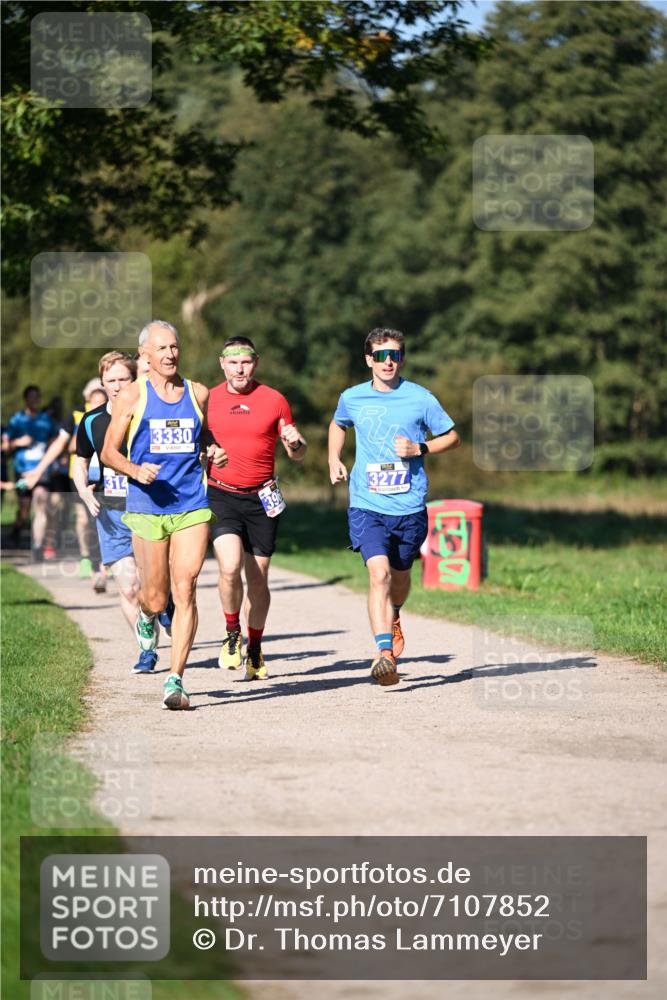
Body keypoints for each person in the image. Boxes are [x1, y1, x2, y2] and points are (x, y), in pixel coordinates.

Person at [101, 319, 227, 710]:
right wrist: (135, 470)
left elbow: (202, 434)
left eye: (174, 347)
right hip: (147, 506)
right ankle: (146, 616)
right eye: (162, 349)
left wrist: (214, 449)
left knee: (185, 586)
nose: (171, 354)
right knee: (155, 598)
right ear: (145, 355)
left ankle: (176, 680)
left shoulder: (198, 393)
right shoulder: (132, 397)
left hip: (191, 503)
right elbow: (109, 452)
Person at [328, 328, 460, 686]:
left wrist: (422, 448)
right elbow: (338, 424)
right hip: (367, 503)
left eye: (395, 355)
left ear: (402, 358)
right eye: (381, 356)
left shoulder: (420, 398)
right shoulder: (352, 398)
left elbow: (452, 435)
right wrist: (333, 459)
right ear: (369, 359)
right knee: (379, 575)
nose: (389, 362)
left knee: (399, 579)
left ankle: (395, 613)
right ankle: (384, 653)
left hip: (410, 505)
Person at [206, 336, 307, 679]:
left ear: (256, 363)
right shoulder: (207, 399)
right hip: (221, 493)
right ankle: (232, 631)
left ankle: (255, 646)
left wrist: (296, 443)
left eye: (246, 362)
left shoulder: (274, 400)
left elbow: (297, 449)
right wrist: (205, 453)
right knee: (229, 566)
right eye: (233, 362)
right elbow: (194, 445)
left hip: (262, 498)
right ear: (222, 363)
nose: (239, 369)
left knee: (258, 579)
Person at [72, 352, 158, 673]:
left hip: (149, 508)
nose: (118, 386)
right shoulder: (92, 421)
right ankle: (146, 649)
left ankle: (163, 607)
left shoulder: (148, 413)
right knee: (128, 587)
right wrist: (83, 492)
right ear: (103, 383)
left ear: (134, 378)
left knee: (154, 585)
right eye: (111, 381)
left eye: (124, 379)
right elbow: (80, 463)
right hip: (110, 511)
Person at [21, 382, 109, 591]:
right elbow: (65, 444)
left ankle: (106, 563)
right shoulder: (78, 418)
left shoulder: (115, 415)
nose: (97, 405)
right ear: (87, 401)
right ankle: (90, 560)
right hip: (79, 476)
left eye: (101, 402)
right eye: (93, 402)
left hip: (108, 477)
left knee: (104, 519)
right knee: (83, 517)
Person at [2, 385, 58, 557]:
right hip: (22, 471)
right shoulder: (16, 420)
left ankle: (38, 545)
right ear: (25, 399)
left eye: (37, 397)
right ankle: (17, 529)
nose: (34, 400)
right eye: (31, 397)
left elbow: (56, 441)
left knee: (41, 503)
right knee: (25, 508)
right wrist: (18, 442)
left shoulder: (46, 420)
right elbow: (5, 447)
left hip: (42, 471)